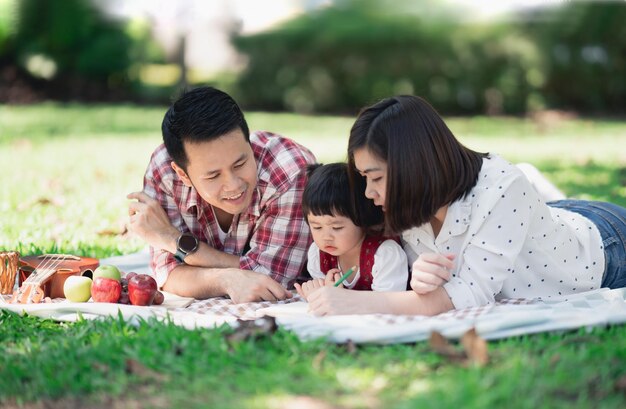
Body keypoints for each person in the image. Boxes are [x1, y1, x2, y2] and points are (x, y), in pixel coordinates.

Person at [304, 95, 626, 316]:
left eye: (375, 178)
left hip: (606, 243)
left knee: (523, 194)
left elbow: (465, 295)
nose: (368, 193)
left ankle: (533, 186)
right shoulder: (409, 203)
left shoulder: (500, 189)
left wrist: (353, 302)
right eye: (364, 179)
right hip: (547, 219)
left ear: (412, 167)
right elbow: (424, 288)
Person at [127, 86, 316, 303]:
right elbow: (168, 274)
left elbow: (270, 281)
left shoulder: (289, 170)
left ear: (250, 144)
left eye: (240, 163)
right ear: (184, 175)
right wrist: (226, 280)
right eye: (213, 175)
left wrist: (172, 239)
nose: (233, 185)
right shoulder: (166, 171)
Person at [294, 163, 408, 299]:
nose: (326, 237)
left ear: (362, 217)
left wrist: (340, 297)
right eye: (317, 227)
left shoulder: (384, 254)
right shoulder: (318, 255)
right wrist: (316, 292)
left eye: (337, 228)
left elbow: (389, 304)